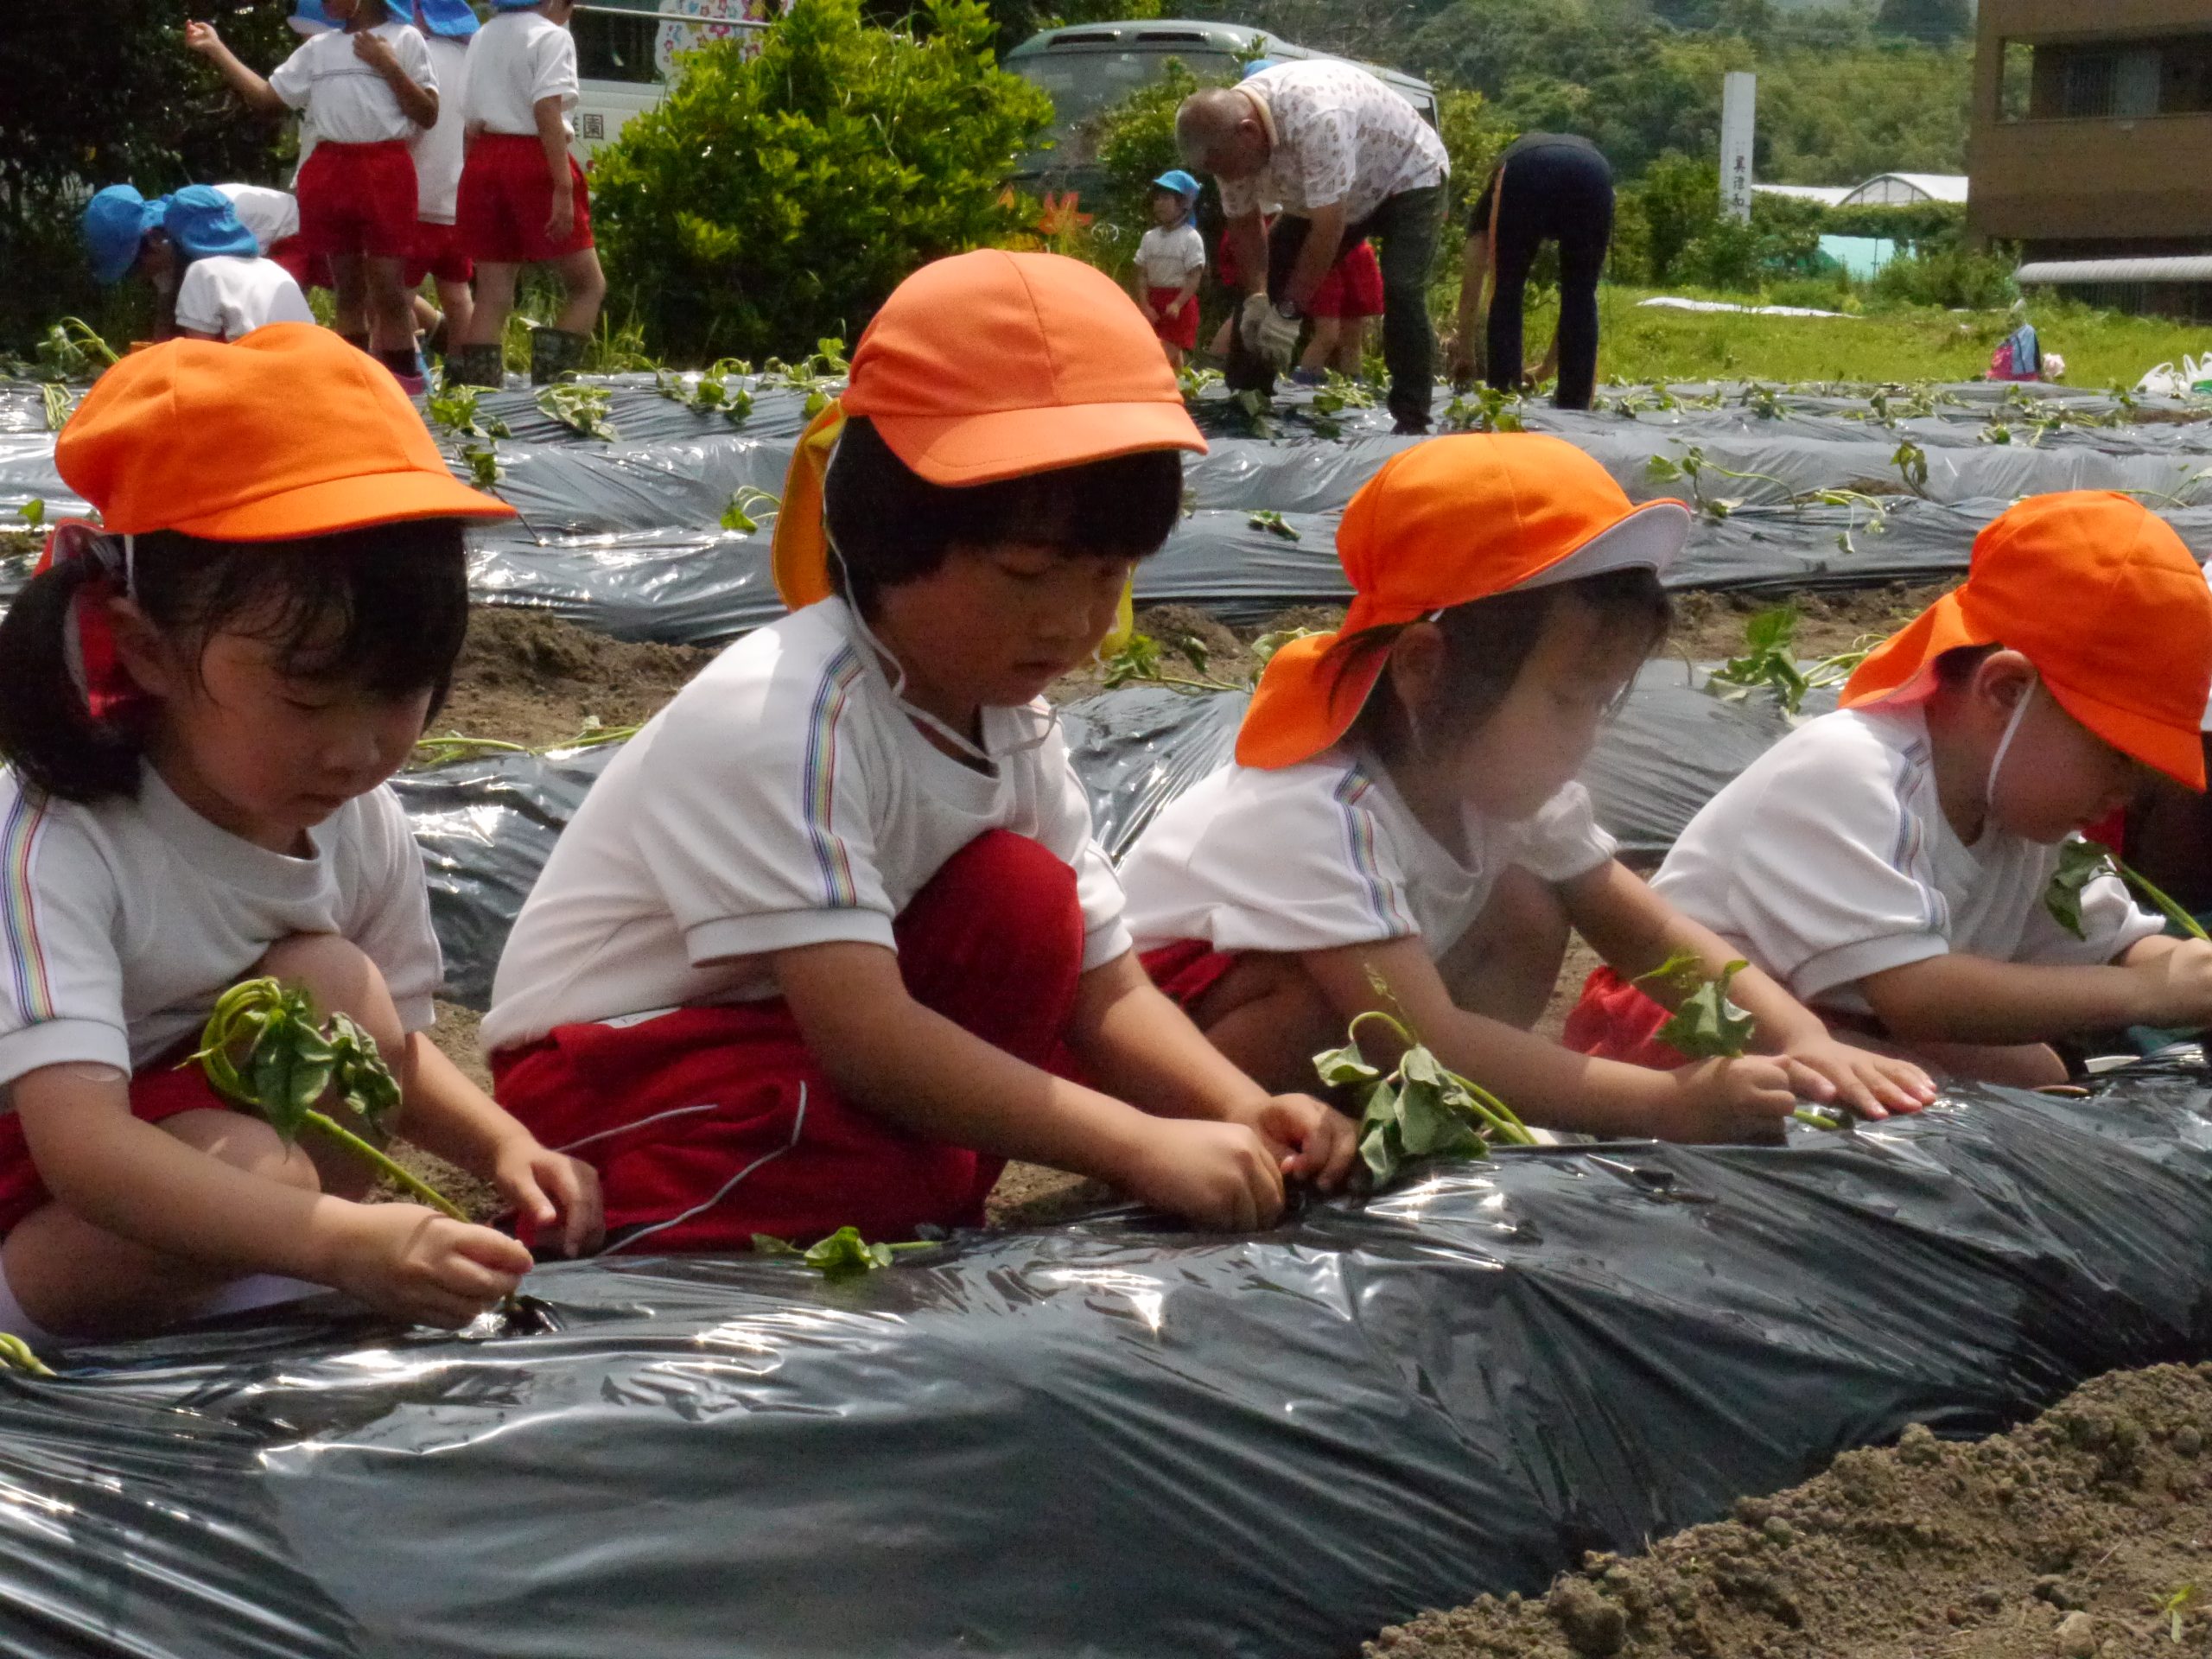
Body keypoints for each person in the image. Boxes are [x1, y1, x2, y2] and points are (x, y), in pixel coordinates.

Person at [484, 250, 1355, 1251]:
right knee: (856, 1163)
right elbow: (867, 1038)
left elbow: (1103, 986)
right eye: (1027, 572)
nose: (1072, 621)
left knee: (1027, 905)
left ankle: (903, 1188)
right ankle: (645, 1207)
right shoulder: (786, 715)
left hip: (805, 1059)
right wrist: (1134, 1143)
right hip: (622, 1066)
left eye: (1109, 574)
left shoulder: (1009, 720)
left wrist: (1241, 1110)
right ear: (889, 534)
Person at [0, 325, 603, 1344]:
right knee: (261, 1160)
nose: (360, 747)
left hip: (220, 1180)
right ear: (146, 650)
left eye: (401, 690)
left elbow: (399, 1051)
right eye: (310, 696)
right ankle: (250, 1273)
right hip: (44, 1224)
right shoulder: (58, 839)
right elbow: (86, 1154)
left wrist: (503, 1144)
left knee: (337, 990)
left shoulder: (354, 817)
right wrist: (336, 1240)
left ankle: (249, 1270)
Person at [1121, 434, 1936, 1139]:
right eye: (1565, 699)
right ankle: (1277, 1135)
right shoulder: (1318, 808)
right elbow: (1422, 1034)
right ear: (1424, 668)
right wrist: (1665, 1102)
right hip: (1166, 1061)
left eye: (1600, 702)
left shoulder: (1497, 782)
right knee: (1335, 1008)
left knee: (1530, 905)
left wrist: (1800, 1037)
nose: (1585, 734)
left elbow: (1648, 933)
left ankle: (1438, 1111)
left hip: (1376, 1036)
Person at [1568, 491, 2212, 1087]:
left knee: (2038, 1072)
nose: (2129, 789)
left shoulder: (2028, 820)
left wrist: (2181, 969)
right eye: (2118, 756)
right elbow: (1917, 995)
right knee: (1947, 1091)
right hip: (1696, 1024)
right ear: (2004, 691)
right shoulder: (1857, 770)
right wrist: (2148, 996)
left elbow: (2121, 947)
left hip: (1847, 1021)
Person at [1176, 61, 1449, 433]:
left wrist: (1289, 313)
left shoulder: (1316, 116)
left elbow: (1329, 227)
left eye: (1231, 167)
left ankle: (1412, 418)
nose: (1230, 178)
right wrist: (1258, 297)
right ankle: (1246, 401)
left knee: (1401, 287)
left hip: (1406, 175)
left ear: (1249, 132)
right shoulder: (1225, 148)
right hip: (1331, 196)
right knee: (1263, 289)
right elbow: (1243, 223)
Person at [185, 0, 440, 392]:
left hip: (385, 169)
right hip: (330, 171)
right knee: (348, 291)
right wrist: (217, 48)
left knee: (389, 290)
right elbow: (268, 98)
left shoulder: (404, 39)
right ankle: (349, 387)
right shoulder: (318, 49)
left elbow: (428, 113)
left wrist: (388, 66)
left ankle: (407, 386)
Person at [449, 0, 607, 389]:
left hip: (483, 158)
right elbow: (546, 110)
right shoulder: (552, 37)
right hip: (533, 158)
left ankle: (479, 398)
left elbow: (470, 121)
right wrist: (562, 185)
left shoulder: (483, 35)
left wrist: (476, 176)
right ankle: (550, 390)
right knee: (588, 285)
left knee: (492, 293)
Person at [1450, 132, 1616, 411]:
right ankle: (1576, 404)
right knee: (1581, 294)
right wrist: (1547, 369)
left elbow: (1474, 277)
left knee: (1507, 288)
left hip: (1528, 171)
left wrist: (1465, 351)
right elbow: (1577, 304)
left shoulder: (1496, 187)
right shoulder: (1584, 158)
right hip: (1594, 172)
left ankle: (1503, 398)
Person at [80, 182, 315, 340]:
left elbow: (199, 354)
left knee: (248, 325)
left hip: (288, 236)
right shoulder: (166, 244)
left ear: (153, 241)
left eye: (133, 270)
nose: (140, 278)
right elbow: (166, 315)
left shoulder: (213, 227)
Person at [402, 0, 482, 360]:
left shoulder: (417, 54)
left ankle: (409, 376)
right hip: (458, 202)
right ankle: (466, 378)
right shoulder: (473, 61)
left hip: (416, 199)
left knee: (396, 296)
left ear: (421, 15)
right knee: (457, 293)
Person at [162, 186, 316, 342]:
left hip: (270, 362)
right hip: (315, 356)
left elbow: (200, 354)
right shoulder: (274, 269)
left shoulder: (202, 271)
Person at [1130, 168, 1206, 371]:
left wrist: (1178, 303)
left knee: (1160, 355)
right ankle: (1182, 389)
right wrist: (1145, 304)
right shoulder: (1149, 237)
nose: (1160, 204)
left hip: (1179, 306)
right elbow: (1142, 274)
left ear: (1184, 205)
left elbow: (1194, 276)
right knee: (1168, 357)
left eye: (1166, 198)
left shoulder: (1191, 238)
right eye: (1157, 199)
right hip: (1154, 302)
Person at [1298, 238, 1382, 382]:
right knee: (1327, 336)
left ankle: (1354, 388)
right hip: (1325, 254)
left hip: (1356, 252)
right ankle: (1304, 387)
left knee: (1352, 338)